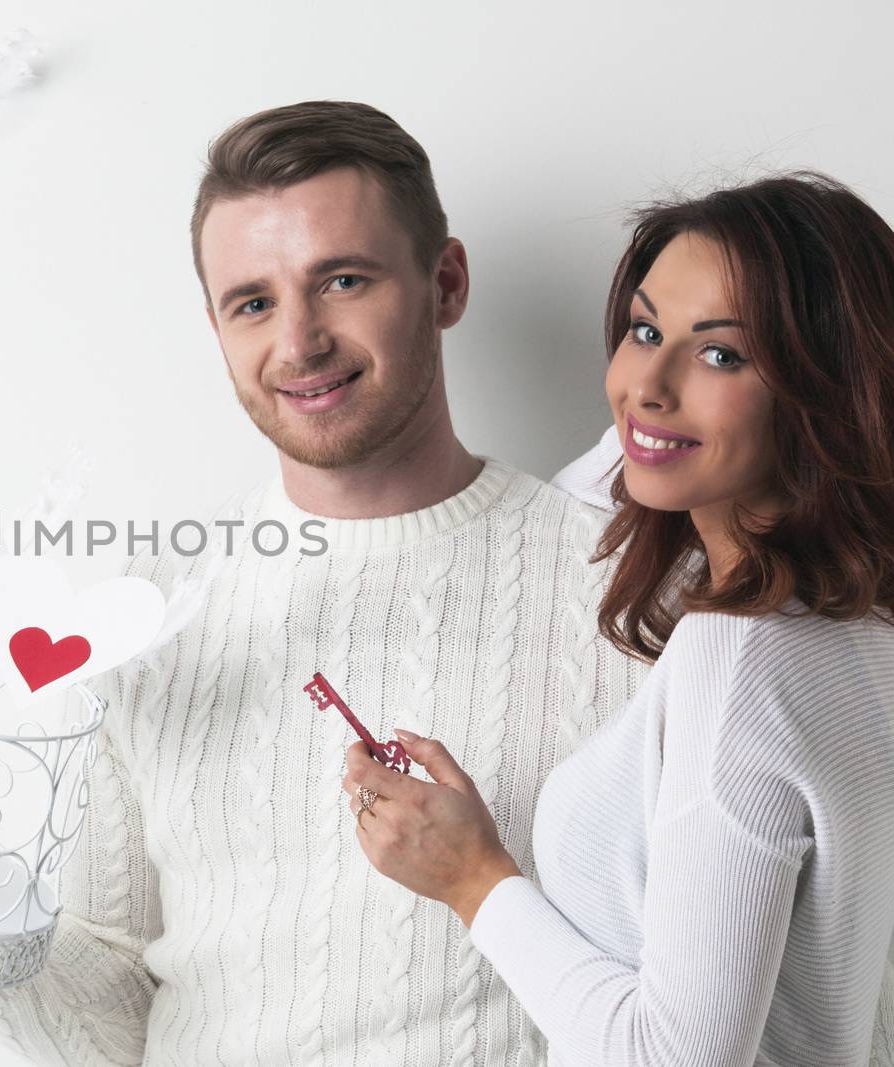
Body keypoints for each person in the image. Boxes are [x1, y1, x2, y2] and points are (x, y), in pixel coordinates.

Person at [0, 100, 654, 1065]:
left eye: (342, 280)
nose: (300, 341)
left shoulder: (632, 593)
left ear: (445, 282)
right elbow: (113, 997)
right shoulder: (143, 612)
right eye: (254, 302)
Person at [345, 172, 894, 1066]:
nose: (648, 385)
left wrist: (475, 882)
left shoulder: (742, 656)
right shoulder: (860, 628)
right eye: (643, 331)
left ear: (827, 386)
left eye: (721, 354)